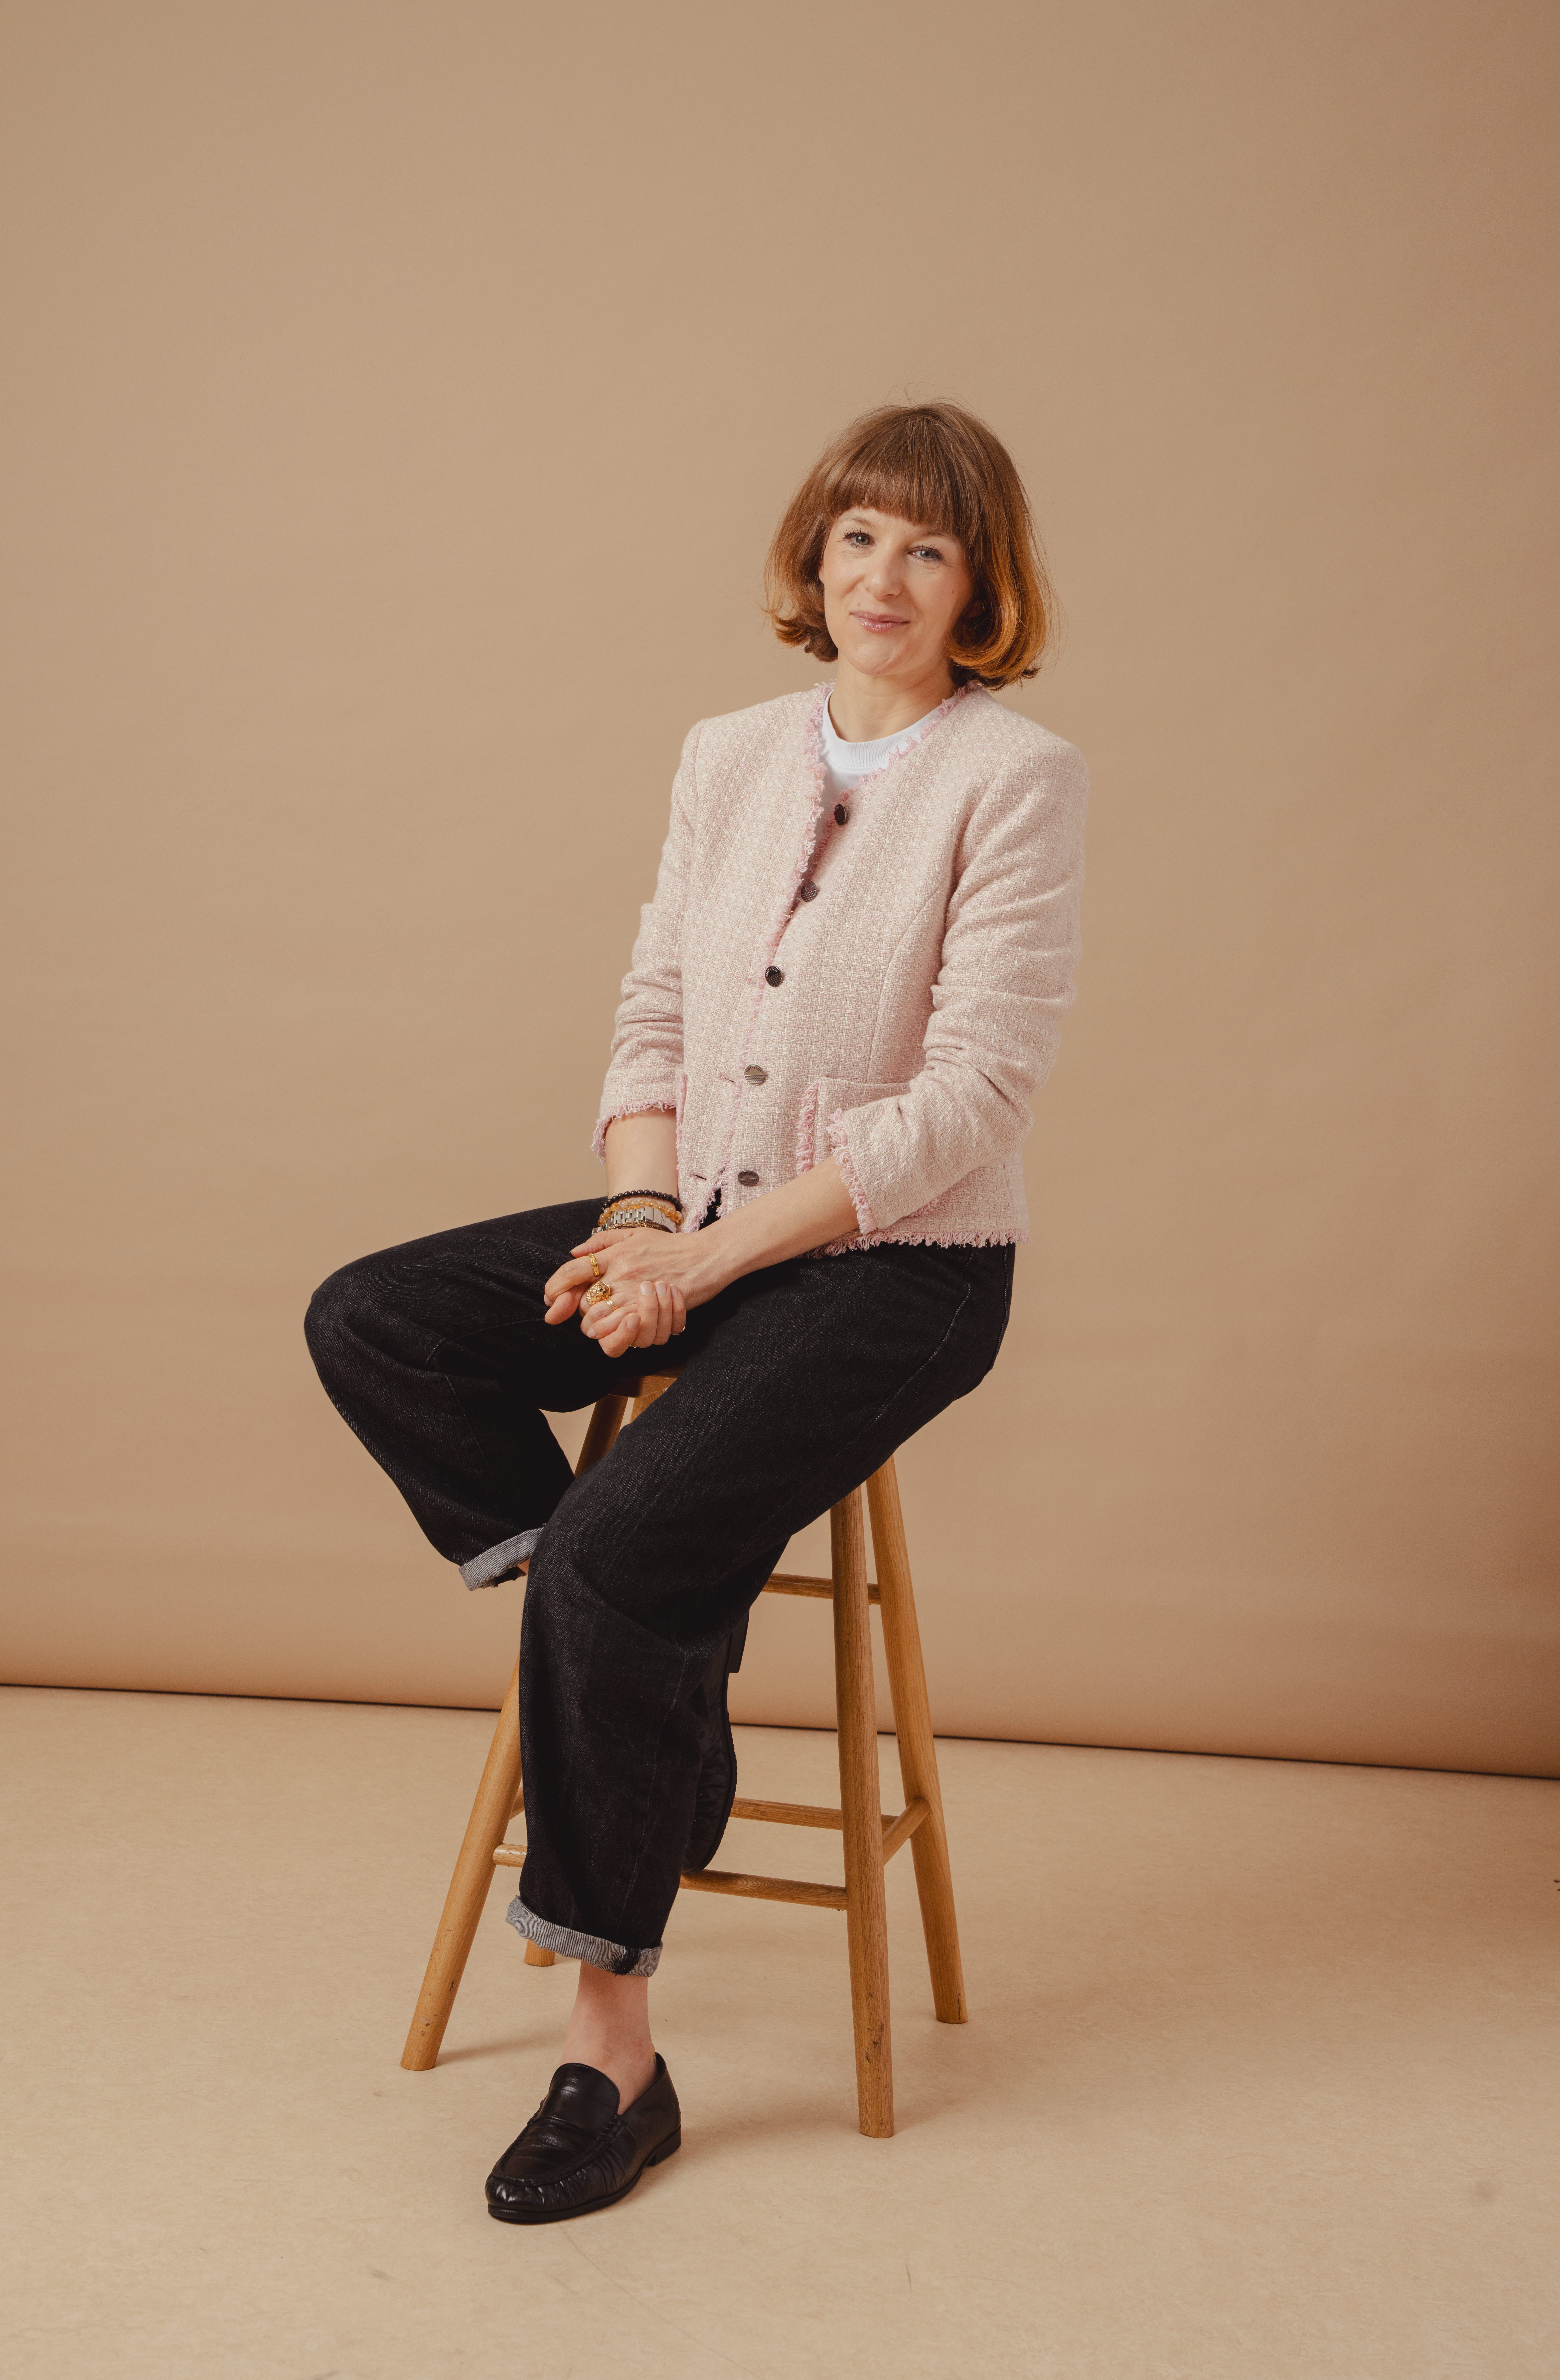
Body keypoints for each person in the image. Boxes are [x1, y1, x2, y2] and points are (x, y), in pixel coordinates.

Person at [305, 400, 1088, 2222]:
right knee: (379, 1324)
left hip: (895, 1270)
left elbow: (974, 1099)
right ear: (814, 558)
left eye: (929, 549)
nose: (883, 577)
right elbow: (656, 1008)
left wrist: (702, 1269)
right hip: (698, 1216)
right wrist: (649, 1210)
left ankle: (613, 2058)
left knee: (613, 1570)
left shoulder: (1016, 777)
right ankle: (646, 1661)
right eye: (857, 539)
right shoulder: (730, 750)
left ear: (981, 587)